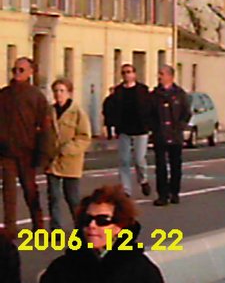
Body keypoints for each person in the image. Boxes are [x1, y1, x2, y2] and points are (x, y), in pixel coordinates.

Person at [40, 184, 164, 283]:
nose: (91, 226)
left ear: (120, 226)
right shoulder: (61, 268)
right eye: (87, 220)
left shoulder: (141, 270)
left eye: (102, 221)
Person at [0, 56, 51, 237]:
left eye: (21, 70)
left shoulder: (36, 96)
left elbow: (45, 127)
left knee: (30, 189)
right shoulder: (4, 94)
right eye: (15, 70)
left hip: (27, 151)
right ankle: (10, 228)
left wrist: (43, 154)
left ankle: (38, 225)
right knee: (8, 192)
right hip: (6, 151)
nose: (17, 73)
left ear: (30, 72)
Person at [46, 78, 91, 231]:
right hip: (52, 160)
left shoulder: (77, 112)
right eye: (56, 91)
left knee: (72, 198)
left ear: (69, 93)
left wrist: (69, 149)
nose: (58, 94)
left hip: (71, 161)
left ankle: (80, 228)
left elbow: (84, 137)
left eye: (62, 91)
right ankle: (56, 229)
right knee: (54, 197)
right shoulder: (49, 111)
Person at [103, 64, 153, 198]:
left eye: (129, 72)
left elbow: (149, 108)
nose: (126, 75)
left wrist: (150, 126)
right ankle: (126, 190)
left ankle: (143, 180)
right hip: (124, 130)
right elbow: (109, 109)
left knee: (139, 159)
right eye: (124, 73)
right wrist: (110, 128)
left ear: (134, 74)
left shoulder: (142, 90)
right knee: (124, 160)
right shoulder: (117, 91)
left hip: (141, 130)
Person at [150, 65, 190, 206]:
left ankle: (174, 192)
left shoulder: (180, 94)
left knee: (175, 165)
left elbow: (186, 112)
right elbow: (150, 113)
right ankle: (162, 195)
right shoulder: (155, 95)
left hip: (175, 135)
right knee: (160, 166)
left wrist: (180, 126)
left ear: (170, 76)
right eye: (159, 74)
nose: (159, 77)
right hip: (160, 134)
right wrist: (153, 128)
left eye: (162, 74)